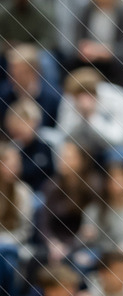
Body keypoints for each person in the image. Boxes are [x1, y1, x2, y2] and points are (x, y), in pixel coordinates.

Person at [56, 67, 123, 161]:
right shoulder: (70, 98)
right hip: (85, 147)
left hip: (116, 148)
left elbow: (117, 138)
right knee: (68, 151)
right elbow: (63, 135)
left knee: (116, 156)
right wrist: (80, 116)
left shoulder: (119, 97)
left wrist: (91, 117)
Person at [0, 141, 34, 296]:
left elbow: (26, 229)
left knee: (8, 258)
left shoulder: (24, 191)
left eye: (16, 163)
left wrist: (6, 241)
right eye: (8, 163)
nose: (13, 167)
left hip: (16, 244)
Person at [4, 98, 54, 192]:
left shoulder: (47, 145)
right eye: (20, 123)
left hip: (45, 193)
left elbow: (53, 175)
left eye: (27, 122)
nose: (24, 128)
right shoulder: (12, 149)